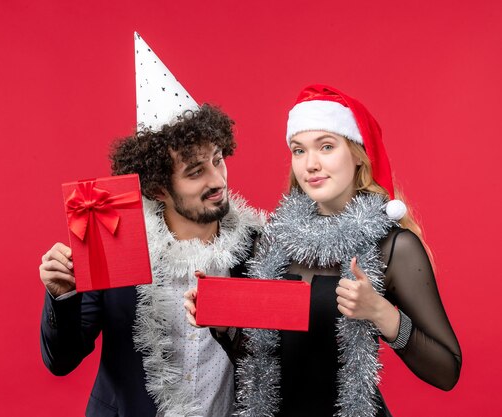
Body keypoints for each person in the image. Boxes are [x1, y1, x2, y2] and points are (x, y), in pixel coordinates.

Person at [185, 84, 461, 417]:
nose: (310, 164)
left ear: (358, 154)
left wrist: (381, 312)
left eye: (326, 147)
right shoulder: (272, 242)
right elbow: (260, 363)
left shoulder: (393, 246)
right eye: (299, 150)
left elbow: (447, 371)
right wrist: (218, 316)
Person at [39, 33, 263, 417]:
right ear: (159, 187)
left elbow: (275, 361)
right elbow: (61, 361)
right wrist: (63, 296)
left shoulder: (258, 246)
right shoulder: (113, 239)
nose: (218, 180)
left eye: (218, 159)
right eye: (195, 172)